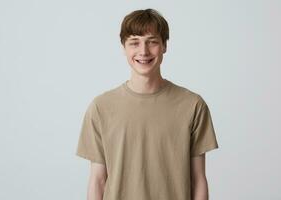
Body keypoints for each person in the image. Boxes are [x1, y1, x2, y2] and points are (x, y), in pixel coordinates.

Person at [76, 8, 219, 200]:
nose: (143, 51)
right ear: (123, 47)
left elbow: (199, 179)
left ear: (164, 46)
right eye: (134, 42)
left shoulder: (192, 105)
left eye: (152, 42)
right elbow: (97, 180)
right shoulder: (101, 107)